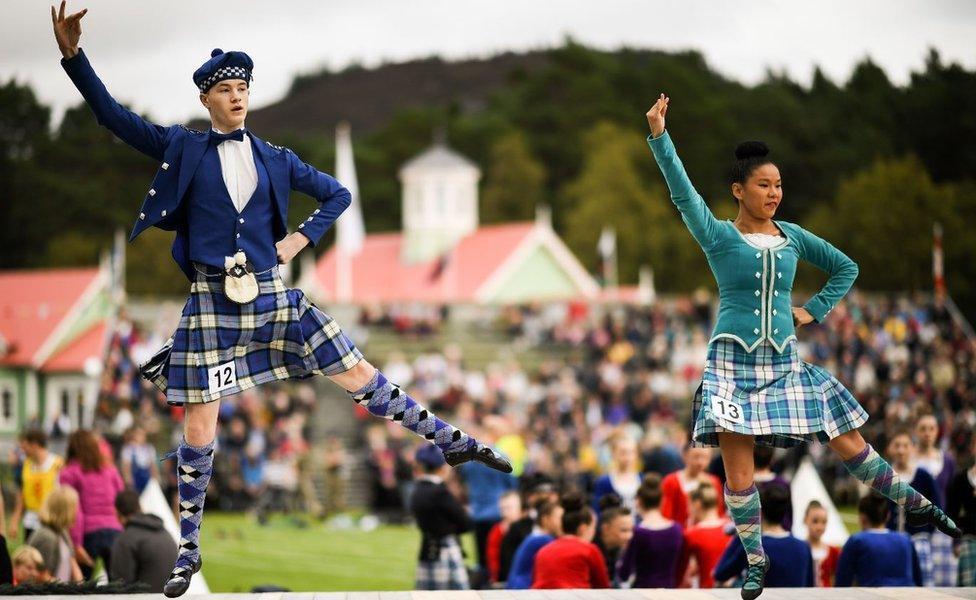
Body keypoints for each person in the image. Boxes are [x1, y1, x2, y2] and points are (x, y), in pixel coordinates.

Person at [51, 4, 511, 596]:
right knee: (200, 425)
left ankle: (449, 441)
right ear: (205, 99)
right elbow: (112, 117)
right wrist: (73, 58)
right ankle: (188, 547)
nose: (237, 95)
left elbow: (338, 194)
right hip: (213, 298)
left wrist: (298, 238)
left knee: (358, 373)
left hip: (272, 294)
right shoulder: (183, 148)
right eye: (225, 88)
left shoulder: (274, 157)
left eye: (243, 86)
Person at [644, 93, 960, 599]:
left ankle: (919, 503)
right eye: (764, 185)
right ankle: (754, 562)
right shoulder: (719, 236)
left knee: (851, 442)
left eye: (779, 185)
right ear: (738, 190)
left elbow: (846, 267)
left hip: (786, 362)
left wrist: (813, 310)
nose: (774, 193)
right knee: (740, 472)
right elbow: (683, 195)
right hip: (730, 364)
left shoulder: (792, 236)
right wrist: (661, 137)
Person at [713, 485, 814, 589]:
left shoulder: (754, 547)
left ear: (760, 511)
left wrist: (742, 532)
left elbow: (720, 574)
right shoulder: (803, 547)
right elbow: (810, 586)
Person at [59, 430, 124, 581]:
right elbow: (122, 501)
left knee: (82, 586)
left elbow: (75, 511)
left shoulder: (69, 473)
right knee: (119, 587)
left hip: (87, 535)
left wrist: (76, 544)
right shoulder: (110, 470)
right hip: (115, 531)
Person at [409, 445, 472, 591]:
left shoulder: (417, 490)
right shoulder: (440, 492)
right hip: (445, 550)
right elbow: (466, 523)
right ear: (442, 467)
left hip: (428, 548)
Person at [884, 428, 942, 586]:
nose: (901, 450)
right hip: (891, 540)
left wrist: (926, 531)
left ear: (912, 449)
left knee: (922, 586)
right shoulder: (885, 476)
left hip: (919, 540)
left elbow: (937, 506)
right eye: (897, 445)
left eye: (905, 445)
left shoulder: (923, 475)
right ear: (890, 449)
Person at [835, 493, 922, 586]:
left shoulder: (857, 541)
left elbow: (842, 581)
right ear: (888, 515)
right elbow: (918, 580)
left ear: (862, 517)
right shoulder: (906, 540)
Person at [531, 491, 609, 589]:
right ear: (583, 528)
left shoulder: (543, 551)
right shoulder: (589, 550)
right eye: (593, 528)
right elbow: (603, 587)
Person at [914, 413, 958, 587]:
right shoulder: (910, 459)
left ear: (937, 431)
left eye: (931, 428)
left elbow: (953, 496)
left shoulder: (947, 460)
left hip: (941, 527)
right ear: (916, 432)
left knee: (943, 582)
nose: (927, 433)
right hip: (916, 526)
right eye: (923, 429)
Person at [618, 473, 684, 588]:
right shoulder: (676, 529)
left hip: (643, 591)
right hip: (669, 590)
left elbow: (624, 573)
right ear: (662, 501)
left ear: (638, 501)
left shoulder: (639, 532)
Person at [109, 489, 179, 593]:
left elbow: (120, 586)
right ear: (140, 507)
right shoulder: (163, 531)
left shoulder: (125, 539)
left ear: (117, 513)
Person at [458, 460, 517, 578]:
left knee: (482, 556)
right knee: (499, 552)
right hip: (497, 511)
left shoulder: (468, 462)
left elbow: (464, 482)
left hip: (478, 512)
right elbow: (512, 483)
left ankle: (484, 580)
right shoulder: (500, 456)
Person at [9, 429, 64, 542]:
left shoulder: (58, 464)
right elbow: (23, 493)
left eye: (24, 447)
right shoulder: (27, 464)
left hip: (51, 522)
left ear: (34, 445)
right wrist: (15, 520)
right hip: (30, 522)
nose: (22, 451)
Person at [677, 483, 732, 588]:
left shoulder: (692, 534)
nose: (687, 509)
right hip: (734, 590)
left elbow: (681, 572)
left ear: (697, 504)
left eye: (688, 504)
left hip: (708, 589)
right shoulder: (732, 528)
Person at [25, 487, 83, 583]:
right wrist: (69, 589)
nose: (77, 512)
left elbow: (73, 563)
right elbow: (41, 576)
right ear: (65, 511)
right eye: (75, 508)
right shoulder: (46, 537)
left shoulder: (62, 532)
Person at [661, 445, 725, 529]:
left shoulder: (714, 482)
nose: (700, 462)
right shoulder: (671, 481)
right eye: (696, 457)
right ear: (685, 455)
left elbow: (719, 513)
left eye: (705, 457)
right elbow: (665, 516)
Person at [506, 499, 563, 590]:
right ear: (545, 519)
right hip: (523, 590)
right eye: (559, 518)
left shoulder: (534, 537)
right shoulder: (542, 540)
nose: (562, 522)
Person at [946, 433, 976, 586]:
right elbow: (952, 512)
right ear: (972, 448)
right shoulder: (960, 479)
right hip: (968, 541)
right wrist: (955, 542)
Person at [591, 435, 642, 510]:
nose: (628, 457)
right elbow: (597, 510)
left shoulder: (641, 479)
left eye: (631, 452)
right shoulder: (604, 482)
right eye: (623, 452)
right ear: (613, 454)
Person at [594, 496, 635, 586]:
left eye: (631, 530)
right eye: (624, 530)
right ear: (606, 528)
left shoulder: (620, 549)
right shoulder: (591, 552)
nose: (630, 536)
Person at [484, 490, 521, 584]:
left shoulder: (527, 528)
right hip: (503, 578)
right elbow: (492, 556)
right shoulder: (497, 531)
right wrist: (495, 577)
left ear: (520, 508)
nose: (505, 512)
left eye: (509, 508)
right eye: (502, 509)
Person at [803, 500, 840, 587]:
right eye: (815, 521)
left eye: (824, 522)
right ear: (805, 520)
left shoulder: (834, 552)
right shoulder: (799, 549)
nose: (820, 527)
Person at [753, 447, 791, 530]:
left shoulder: (745, 484)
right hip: (780, 535)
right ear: (772, 459)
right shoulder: (783, 483)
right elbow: (789, 516)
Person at [120, 426, 158, 494]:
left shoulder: (149, 448)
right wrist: (128, 481)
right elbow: (126, 466)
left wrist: (155, 480)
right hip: (134, 480)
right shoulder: (128, 449)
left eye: (142, 434)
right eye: (138, 434)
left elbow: (153, 466)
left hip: (147, 479)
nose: (140, 436)